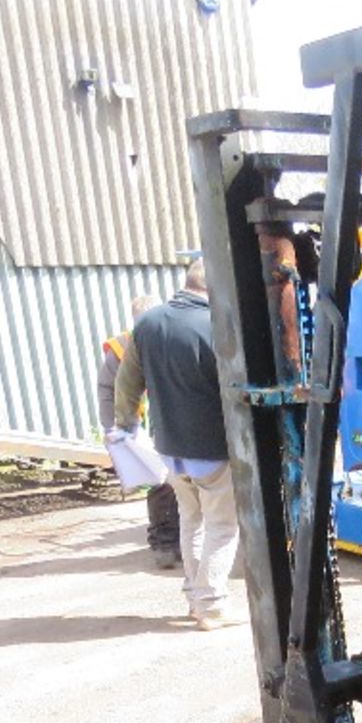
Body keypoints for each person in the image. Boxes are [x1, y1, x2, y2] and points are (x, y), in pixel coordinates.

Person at [114, 260, 239, 628]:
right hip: (212, 447)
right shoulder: (216, 327)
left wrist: (126, 425)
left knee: (192, 520)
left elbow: (126, 382)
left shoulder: (148, 323)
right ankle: (211, 605)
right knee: (221, 526)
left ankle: (193, 596)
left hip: (169, 447)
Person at [97, 295, 177, 568]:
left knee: (180, 483)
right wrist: (115, 431)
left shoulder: (172, 337)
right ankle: (165, 543)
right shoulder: (122, 348)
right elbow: (108, 390)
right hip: (143, 426)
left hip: (170, 419)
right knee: (160, 481)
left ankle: (175, 542)